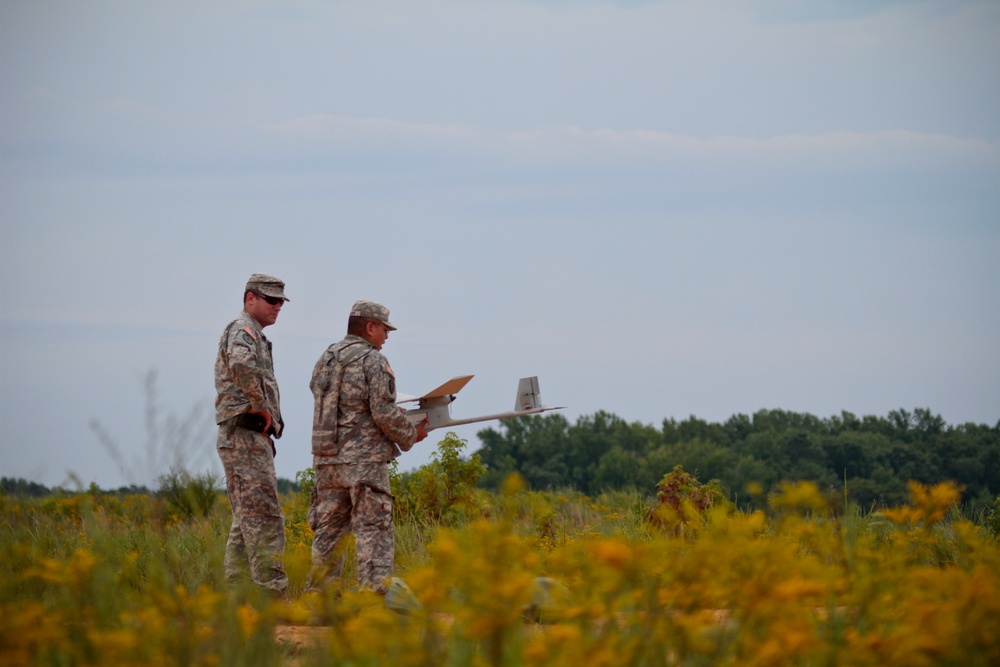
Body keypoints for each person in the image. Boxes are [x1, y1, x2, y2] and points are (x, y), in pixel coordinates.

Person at [307, 299, 428, 595]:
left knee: (328, 534)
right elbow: (383, 412)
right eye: (385, 329)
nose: (387, 336)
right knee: (373, 531)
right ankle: (372, 603)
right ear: (369, 327)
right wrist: (411, 433)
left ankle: (320, 604)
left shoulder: (327, 357)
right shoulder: (373, 360)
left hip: (326, 462)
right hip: (364, 463)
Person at [214, 273, 290, 597]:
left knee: (247, 521)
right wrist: (261, 408)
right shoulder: (242, 330)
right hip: (244, 431)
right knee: (265, 517)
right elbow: (243, 367)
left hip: (248, 435)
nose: (277, 307)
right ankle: (271, 596)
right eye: (271, 300)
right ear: (250, 298)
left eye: (280, 302)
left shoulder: (255, 335)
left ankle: (238, 597)